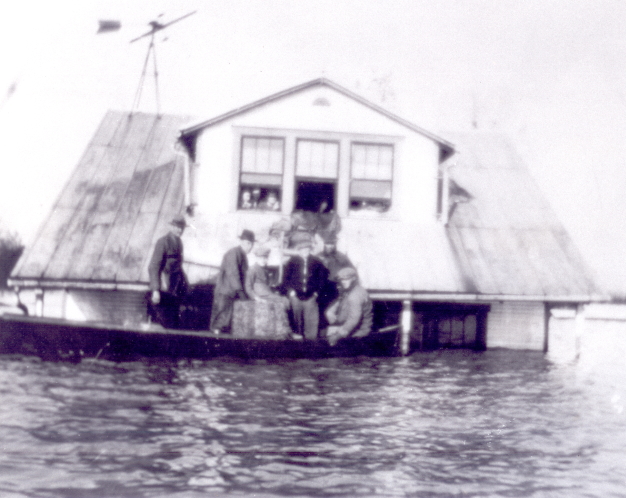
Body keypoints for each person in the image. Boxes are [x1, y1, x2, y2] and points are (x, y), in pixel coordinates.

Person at [281, 239, 329, 340]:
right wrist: (290, 292)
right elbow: (285, 279)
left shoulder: (316, 262)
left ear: (310, 249)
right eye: (302, 249)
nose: (305, 251)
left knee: (311, 323)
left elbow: (322, 279)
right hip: (296, 297)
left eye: (307, 249)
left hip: (311, 297)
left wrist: (317, 293)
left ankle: (311, 345)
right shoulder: (292, 261)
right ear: (299, 250)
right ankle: (297, 346)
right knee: (295, 321)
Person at [210, 229, 255, 334]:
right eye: (248, 243)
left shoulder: (243, 256)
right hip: (225, 292)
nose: (250, 247)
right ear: (242, 242)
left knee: (227, 324)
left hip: (232, 293)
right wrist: (240, 292)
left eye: (251, 244)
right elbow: (233, 274)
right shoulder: (233, 253)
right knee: (218, 324)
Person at [148, 215, 189, 328]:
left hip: (174, 289)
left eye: (182, 228)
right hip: (163, 289)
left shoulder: (179, 242)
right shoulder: (163, 242)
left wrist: (185, 283)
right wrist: (155, 290)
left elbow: (178, 266)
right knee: (163, 323)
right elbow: (154, 266)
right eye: (177, 227)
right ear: (171, 226)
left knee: (173, 322)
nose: (179, 230)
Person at [325, 267, 373, 346]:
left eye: (346, 279)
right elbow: (338, 306)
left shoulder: (355, 295)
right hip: (348, 328)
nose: (343, 282)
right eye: (342, 280)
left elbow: (353, 320)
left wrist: (338, 335)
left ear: (354, 279)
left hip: (359, 332)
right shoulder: (348, 291)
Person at [318, 234, 354, 320]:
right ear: (324, 244)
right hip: (321, 289)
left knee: (332, 312)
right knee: (320, 312)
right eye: (327, 244)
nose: (329, 246)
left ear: (335, 245)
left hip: (335, 289)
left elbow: (351, 271)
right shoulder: (318, 257)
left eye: (332, 244)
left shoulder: (341, 257)